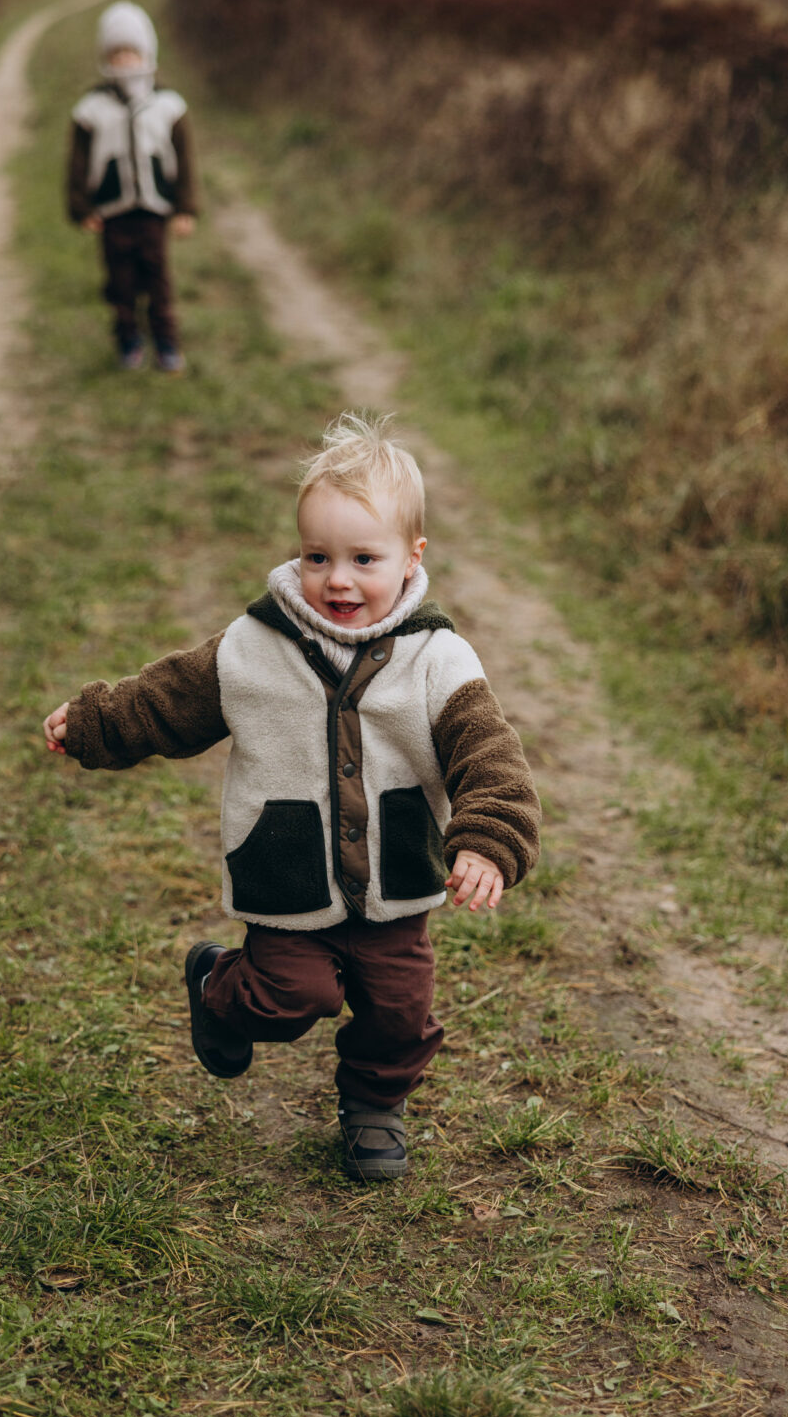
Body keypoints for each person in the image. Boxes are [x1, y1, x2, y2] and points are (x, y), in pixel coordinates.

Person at [43, 415, 541, 1182]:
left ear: (413, 558)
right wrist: (98, 722)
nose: (338, 579)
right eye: (318, 557)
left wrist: (486, 839)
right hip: (288, 878)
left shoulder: (439, 658)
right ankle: (217, 986)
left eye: (363, 559)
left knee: (399, 1011)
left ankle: (375, 1107)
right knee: (288, 995)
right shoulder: (253, 646)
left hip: (396, 885)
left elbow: (489, 754)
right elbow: (168, 700)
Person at [66, 0, 197, 373]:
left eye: (131, 51)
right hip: (112, 213)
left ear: (147, 52)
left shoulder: (168, 106)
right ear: (105, 56)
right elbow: (76, 164)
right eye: (116, 52)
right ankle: (128, 340)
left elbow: (186, 161)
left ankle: (167, 343)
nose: (124, 60)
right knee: (119, 282)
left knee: (158, 280)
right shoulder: (90, 109)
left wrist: (185, 208)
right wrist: (82, 208)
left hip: (154, 212)